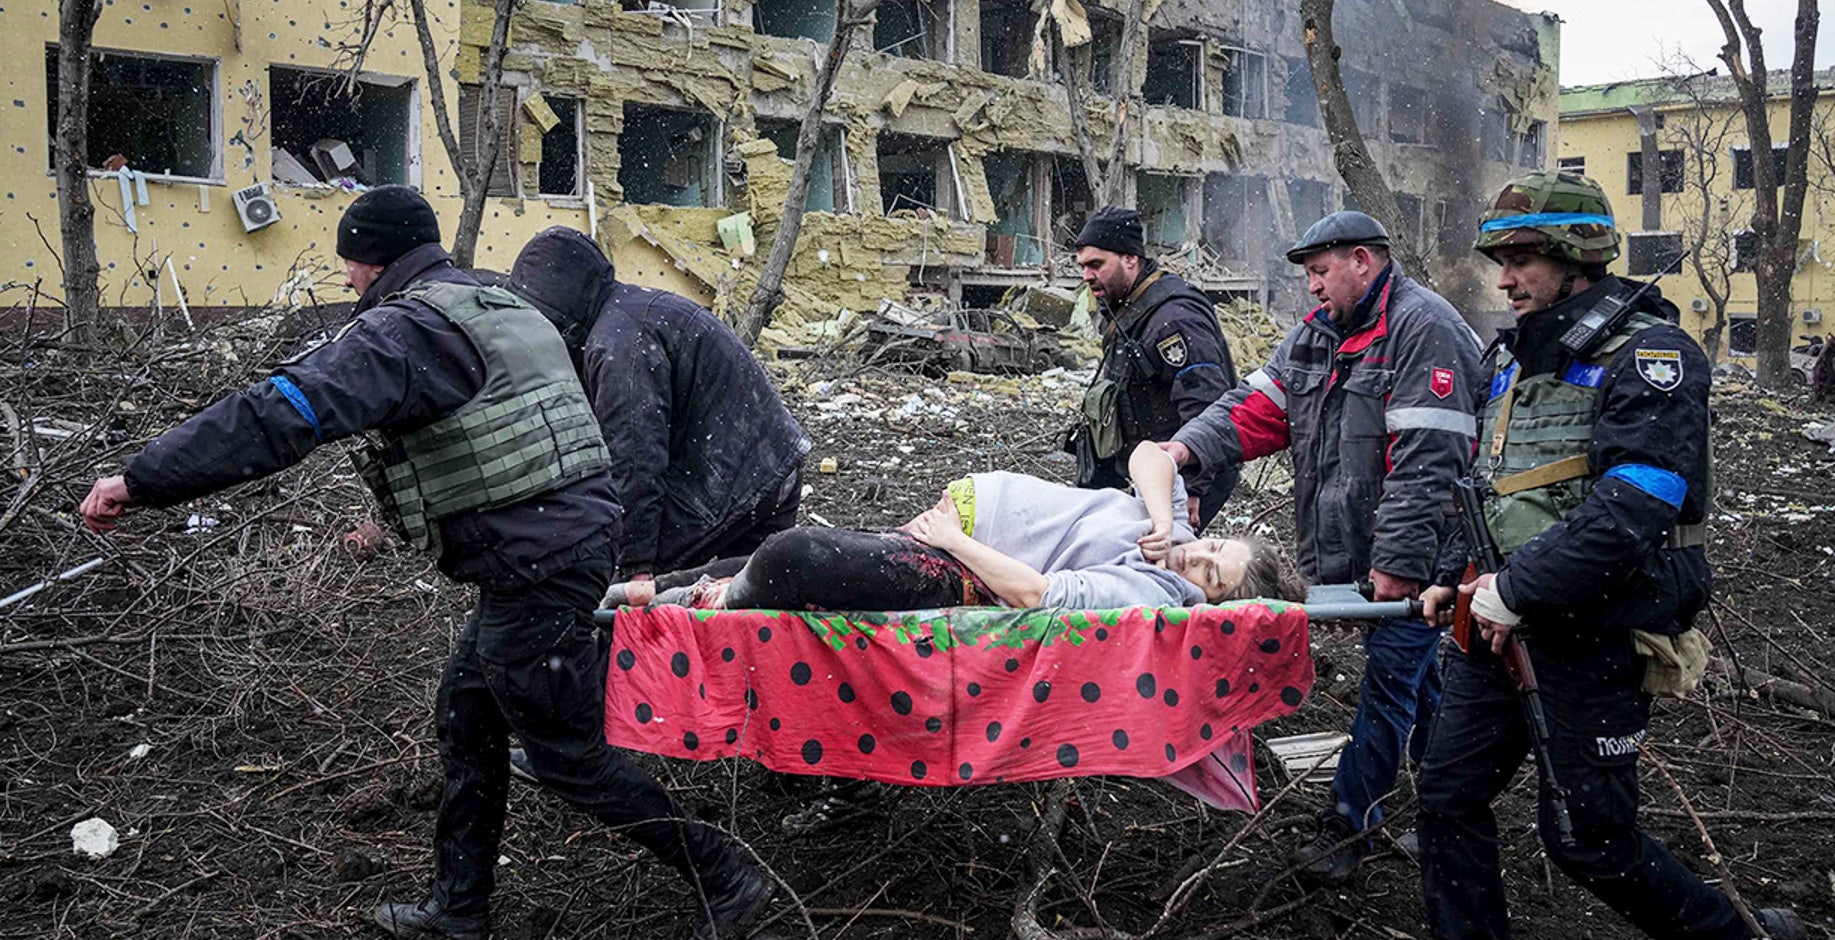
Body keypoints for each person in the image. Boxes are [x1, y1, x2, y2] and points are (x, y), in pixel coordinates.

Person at [78, 189, 769, 940]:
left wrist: (141, 480)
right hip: (557, 546)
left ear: (372, 259)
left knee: (566, 753)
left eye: (348, 262)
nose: (345, 280)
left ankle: (727, 876)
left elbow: (280, 414)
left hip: (538, 561)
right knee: (467, 713)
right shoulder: (491, 298)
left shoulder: (404, 330)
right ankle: (458, 908)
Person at [1414, 171, 1804, 940]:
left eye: (1522, 257)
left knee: (1590, 842)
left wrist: (1515, 592)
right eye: (1500, 259)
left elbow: (1640, 500)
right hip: (1494, 628)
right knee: (1446, 797)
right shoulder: (1516, 358)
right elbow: (1494, 485)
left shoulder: (1651, 354)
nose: (1505, 277)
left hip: (1590, 631)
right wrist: (1455, 576)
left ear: (1576, 255)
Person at [1162, 210, 1481, 881]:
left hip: (1421, 556)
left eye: (1319, 272)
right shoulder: (1316, 337)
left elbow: (1430, 461)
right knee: (1416, 681)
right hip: (1355, 552)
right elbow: (1253, 409)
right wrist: (1186, 449)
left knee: (1391, 683)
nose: (1310, 287)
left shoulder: (1425, 330)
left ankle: (1348, 824)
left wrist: (1396, 563)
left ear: (1363, 261)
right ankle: (1448, 802)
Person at [623, 443, 1298, 614]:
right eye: (1212, 548)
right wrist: (1162, 518)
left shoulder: (1153, 596)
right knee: (772, 558)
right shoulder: (1170, 534)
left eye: (1210, 576)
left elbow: (1036, 594)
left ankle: (680, 604)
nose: (1195, 561)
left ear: (1209, 604)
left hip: (964, 567)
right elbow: (1151, 455)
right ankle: (635, 590)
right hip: (958, 528)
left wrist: (954, 541)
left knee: (788, 557)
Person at [508, 226, 810, 584]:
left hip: (737, 481)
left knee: (619, 588)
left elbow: (635, 459)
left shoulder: (618, 344)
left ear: (559, 315)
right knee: (742, 604)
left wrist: (634, 567)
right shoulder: (628, 313)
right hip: (769, 465)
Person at [1070, 205, 1238, 531]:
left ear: (1131, 258)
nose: (1086, 276)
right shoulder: (1130, 307)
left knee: (1162, 563)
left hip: (1182, 472)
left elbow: (1206, 406)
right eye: (1083, 266)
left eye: (1096, 265)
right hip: (1150, 470)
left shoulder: (1173, 318)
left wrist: (1191, 487)